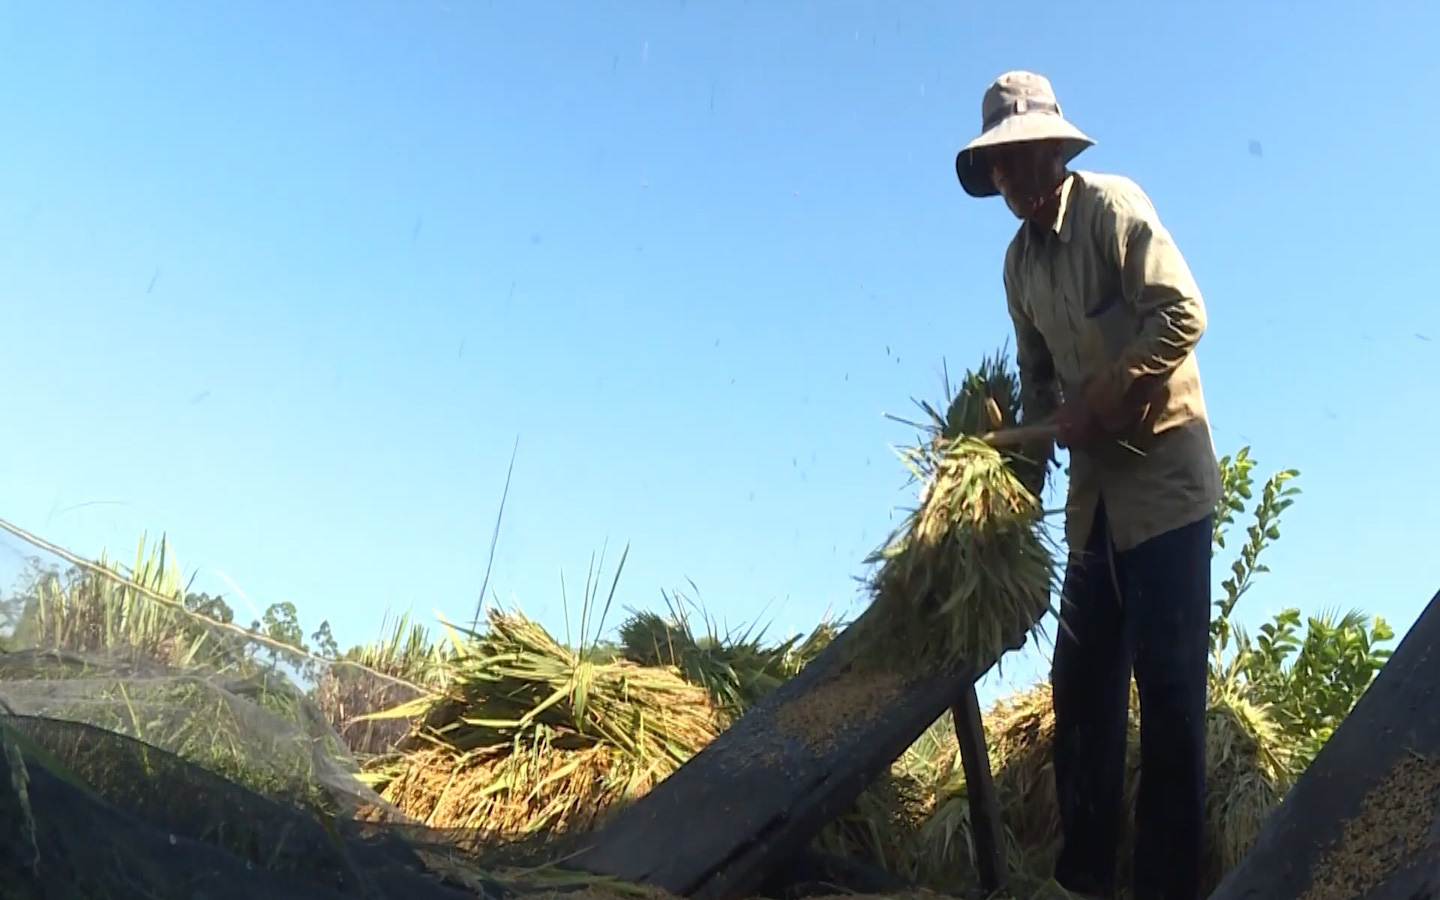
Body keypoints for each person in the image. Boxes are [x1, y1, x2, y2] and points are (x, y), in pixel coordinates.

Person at [952, 71, 1222, 900]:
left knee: (1172, 695)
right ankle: (1083, 882)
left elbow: (1182, 310)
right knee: (1081, 694)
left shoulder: (1112, 209)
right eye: (999, 171)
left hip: (1167, 490)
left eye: (1024, 160)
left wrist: (1111, 392)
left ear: (1054, 150)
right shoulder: (1018, 268)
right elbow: (1039, 393)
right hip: (1093, 512)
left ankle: (1171, 887)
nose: (1015, 181)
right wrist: (1002, 496)